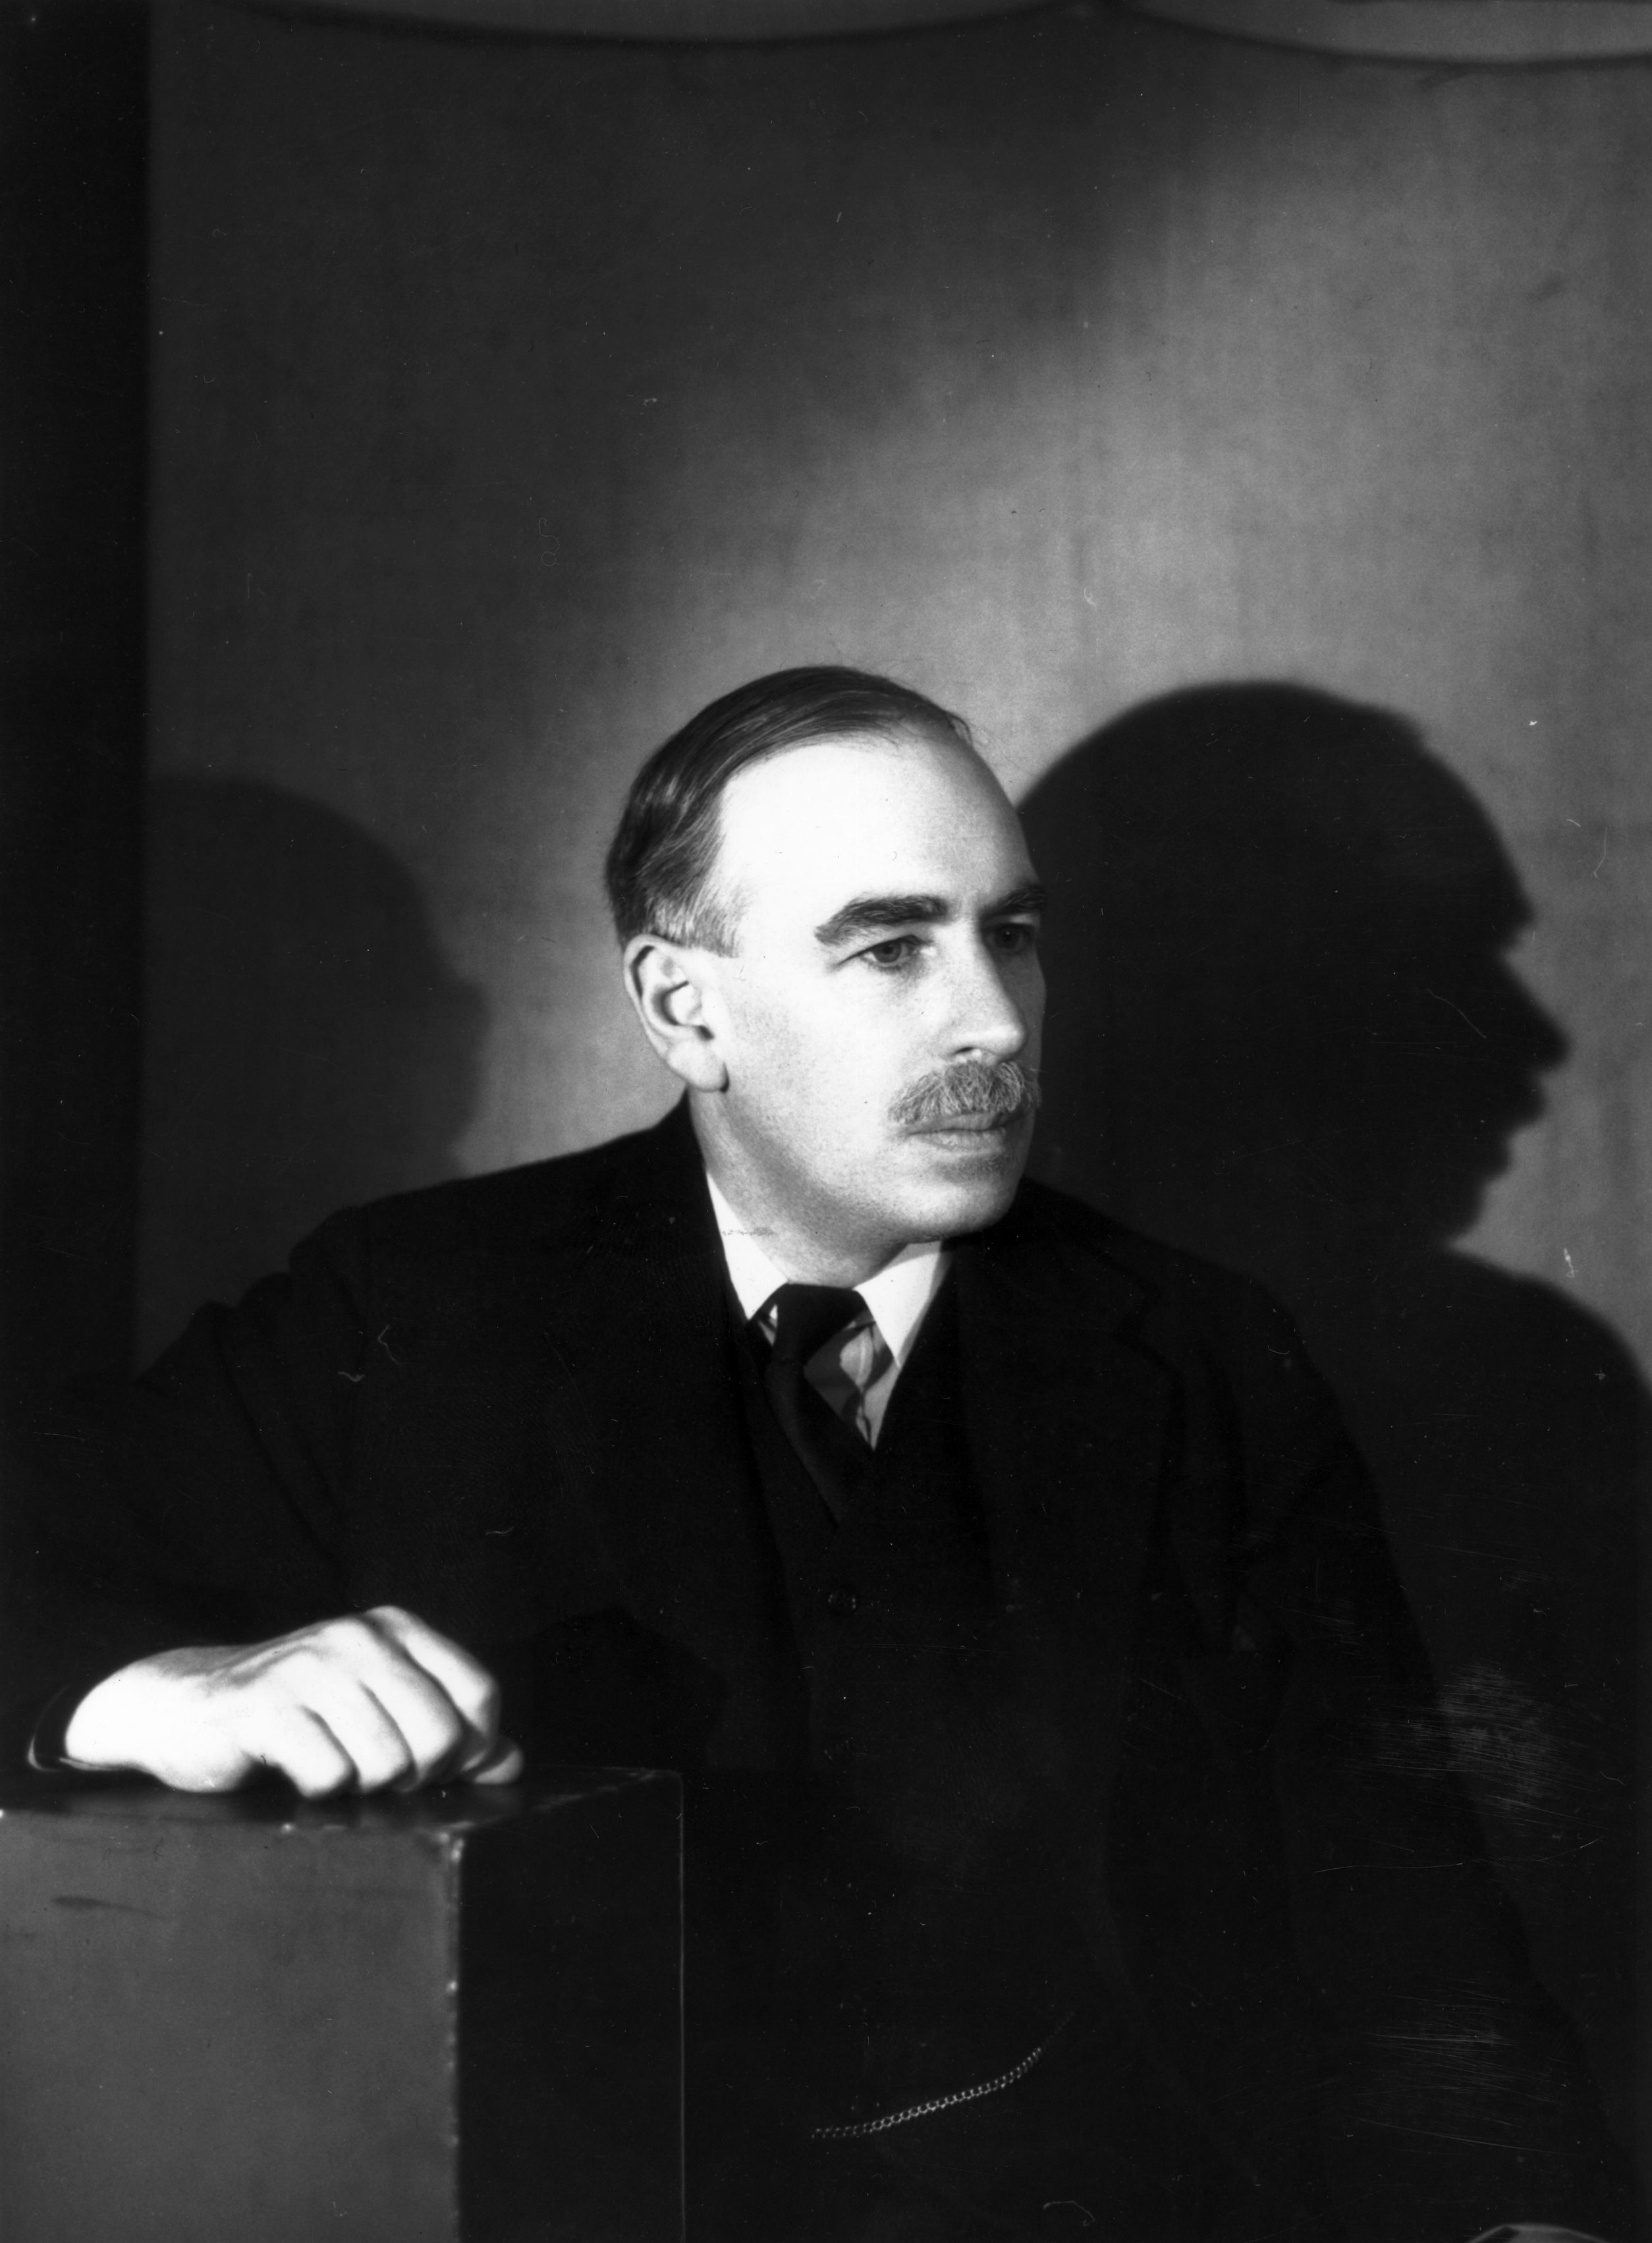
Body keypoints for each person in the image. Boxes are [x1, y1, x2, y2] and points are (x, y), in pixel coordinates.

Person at [5, 669, 1638, 2242]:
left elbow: (1405, 1917)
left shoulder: (1210, 1356)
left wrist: (1520, 2212)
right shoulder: (412, 1302)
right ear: (685, 1006)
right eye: (890, 946)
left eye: (1012, 933)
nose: (993, 1019)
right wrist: (154, 1690)